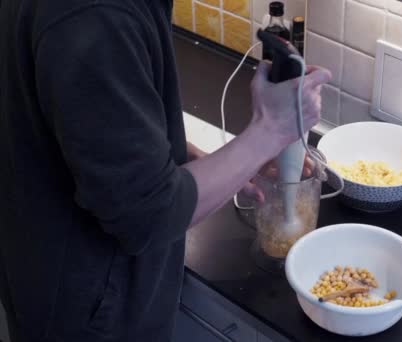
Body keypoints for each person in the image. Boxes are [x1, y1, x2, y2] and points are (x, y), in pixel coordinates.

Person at [0, 0, 331, 341]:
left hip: (47, 273)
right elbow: (148, 215)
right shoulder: (97, 18)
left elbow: (103, 130)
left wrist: (234, 160)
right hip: (89, 310)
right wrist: (270, 131)